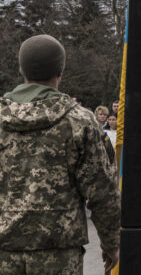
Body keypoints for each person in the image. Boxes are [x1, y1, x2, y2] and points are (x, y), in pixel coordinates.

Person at [0, 34, 120, 273]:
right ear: (60, 72)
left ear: (22, 69)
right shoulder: (80, 121)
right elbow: (102, 191)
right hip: (59, 253)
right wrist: (111, 242)